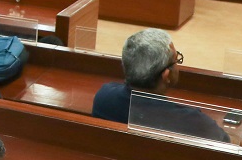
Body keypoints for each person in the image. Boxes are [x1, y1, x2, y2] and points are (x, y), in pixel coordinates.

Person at [91, 29, 226, 141]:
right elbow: (225, 142)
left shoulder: (104, 97)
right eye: (176, 60)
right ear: (166, 76)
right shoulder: (195, 122)